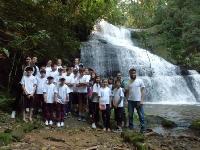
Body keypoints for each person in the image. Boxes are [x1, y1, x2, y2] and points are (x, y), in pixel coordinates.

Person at [126, 68, 145, 133]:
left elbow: (142, 91)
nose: (133, 74)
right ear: (130, 74)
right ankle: (131, 127)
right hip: (130, 101)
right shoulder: (128, 82)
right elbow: (127, 92)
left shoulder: (140, 81)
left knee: (141, 115)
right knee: (130, 115)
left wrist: (141, 100)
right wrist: (126, 100)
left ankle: (143, 128)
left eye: (134, 73)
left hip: (138, 100)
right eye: (132, 73)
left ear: (135, 73)